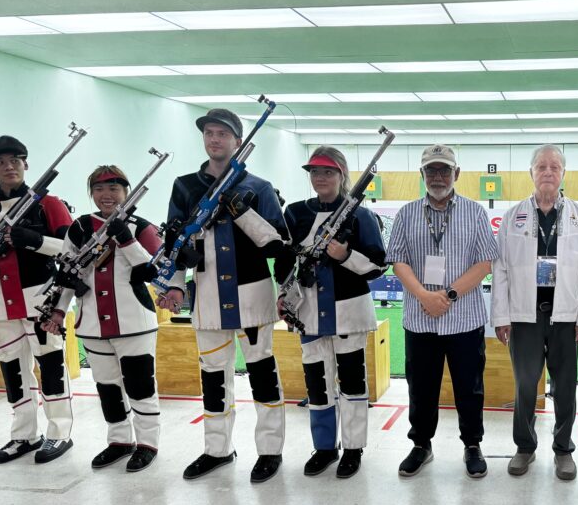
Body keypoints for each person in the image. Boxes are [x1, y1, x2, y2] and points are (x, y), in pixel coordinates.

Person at [156, 108, 289, 483]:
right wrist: (174, 285)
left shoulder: (259, 187)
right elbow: (175, 242)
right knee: (213, 378)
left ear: (238, 141)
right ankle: (217, 450)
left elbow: (279, 244)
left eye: (223, 134)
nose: (214, 139)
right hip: (208, 297)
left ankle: (270, 450)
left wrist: (242, 211)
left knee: (263, 374)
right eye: (209, 133)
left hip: (253, 295)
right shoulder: (185, 186)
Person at [386, 144, 498, 478]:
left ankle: (472, 444)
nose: (438, 177)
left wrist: (447, 295)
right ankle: (421, 444)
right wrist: (423, 295)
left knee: (469, 387)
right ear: (422, 174)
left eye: (444, 170)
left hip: (464, 319)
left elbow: (485, 262)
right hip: (420, 319)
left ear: (456, 174)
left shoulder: (475, 213)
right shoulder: (406, 214)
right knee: (421, 387)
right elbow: (398, 260)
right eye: (431, 170)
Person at [42, 166, 163, 472]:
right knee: (107, 388)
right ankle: (119, 441)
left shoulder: (141, 227)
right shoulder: (80, 227)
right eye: (98, 189)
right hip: (92, 323)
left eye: (113, 188)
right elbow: (68, 274)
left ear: (126, 192)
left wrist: (126, 239)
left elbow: (153, 272)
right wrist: (58, 311)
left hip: (134, 322)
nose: (106, 195)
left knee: (140, 386)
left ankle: (147, 443)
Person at [275, 146, 386, 479]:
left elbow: (378, 266)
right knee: (317, 384)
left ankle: (353, 448)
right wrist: (283, 295)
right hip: (307, 312)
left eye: (328, 171)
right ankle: (324, 448)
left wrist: (345, 255)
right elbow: (283, 261)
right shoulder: (295, 213)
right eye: (314, 172)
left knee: (352, 383)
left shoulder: (361, 216)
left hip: (348, 312)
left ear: (341, 175)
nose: (320, 177)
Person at [0, 135, 75, 464]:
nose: (8, 167)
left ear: (25, 163)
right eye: (0, 162)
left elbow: (73, 250)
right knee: (12, 368)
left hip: (39, 297)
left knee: (51, 365)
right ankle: (24, 435)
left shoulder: (49, 203)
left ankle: (59, 432)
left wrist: (35, 241)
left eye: (15, 160)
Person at [491, 145, 578, 480]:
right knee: (525, 385)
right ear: (531, 173)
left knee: (565, 387)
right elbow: (501, 270)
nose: (548, 172)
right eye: (541, 166)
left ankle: (563, 449)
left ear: (563, 173)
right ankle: (525, 447)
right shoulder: (513, 216)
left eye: (554, 166)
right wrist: (501, 316)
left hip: (566, 317)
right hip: (525, 317)